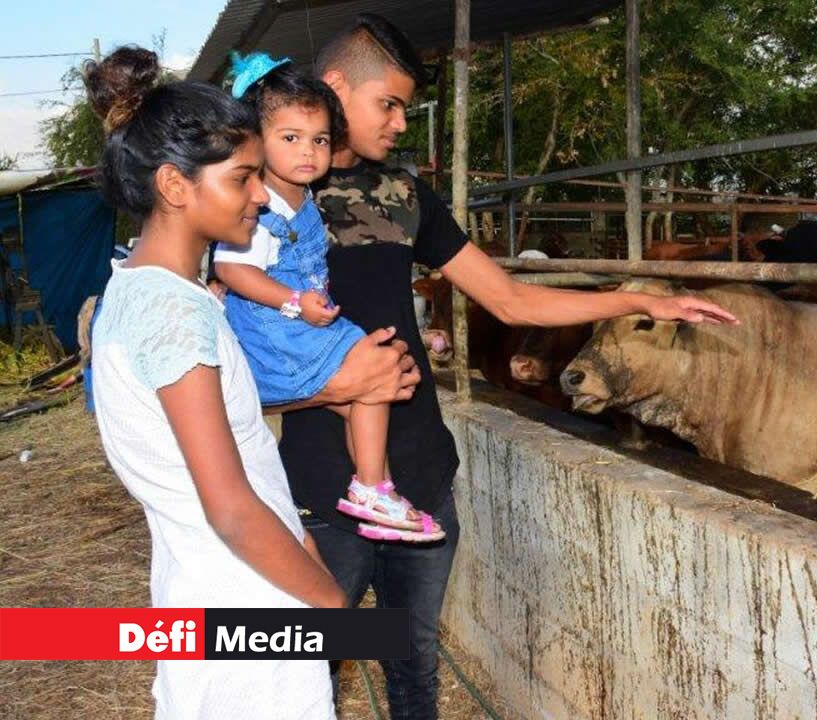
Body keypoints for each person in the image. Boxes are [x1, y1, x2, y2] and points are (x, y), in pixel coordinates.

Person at [281, 13, 739, 719]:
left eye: (405, 107)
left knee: (413, 665)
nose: (402, 122)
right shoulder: (265, 201)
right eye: (390, 104)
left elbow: (509, 297)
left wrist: (641, 298)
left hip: (422, 473)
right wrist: (323, 389)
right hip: (322, 483)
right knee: (306, 670)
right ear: (335, 87)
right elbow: (229, 351)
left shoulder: (404, 197)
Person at [85, 45, 419, 719]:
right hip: (246, 613)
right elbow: (231, 507)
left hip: (222, 592)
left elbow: (247, 469)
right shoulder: (172, 316)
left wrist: (308, 559)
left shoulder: (153, 295)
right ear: (176, 188)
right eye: (243, 179)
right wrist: (332, 609)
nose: (262, 194)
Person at [213, 52, 440, 542]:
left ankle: (372, 487)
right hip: (277, 328)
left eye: (318, 140)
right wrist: (294, 301)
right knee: (375, 376)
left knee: (373, 386)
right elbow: (231, 267)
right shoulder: (261, 205)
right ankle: (371, 486)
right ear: (255, 140)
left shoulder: (301, 196)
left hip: (300, 322)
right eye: (290, 139)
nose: (308, 152)